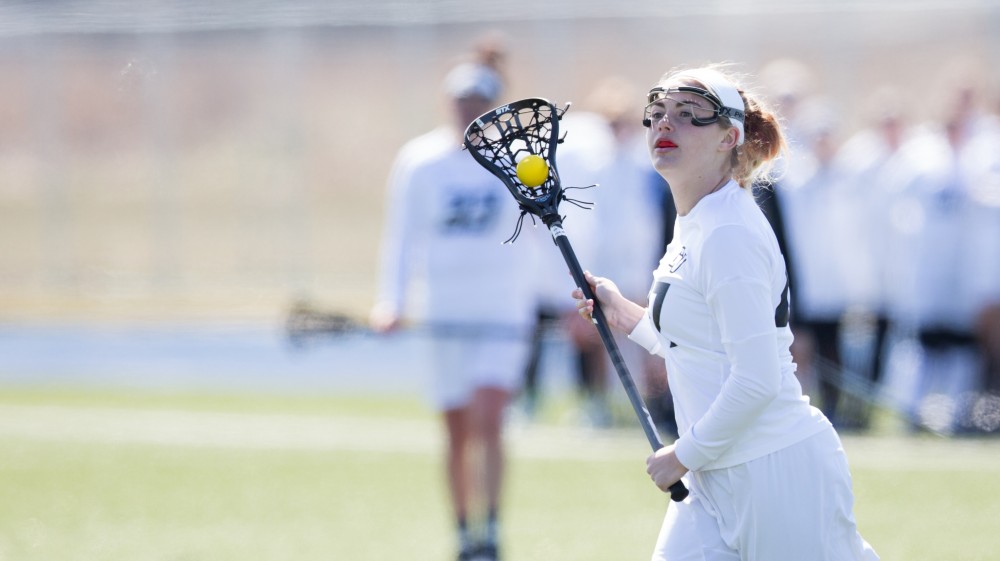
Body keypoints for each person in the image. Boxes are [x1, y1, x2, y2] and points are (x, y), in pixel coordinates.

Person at [572, 65, 878, 560]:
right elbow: (696, 344)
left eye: (688, 115)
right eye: (658, 113)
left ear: (729, 137)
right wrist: (623, 313)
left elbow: (755, 379)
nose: (665, 124)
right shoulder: (696, 219)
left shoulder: (728, 233)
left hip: (772, 468)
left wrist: (682, 455)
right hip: (716, 471)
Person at [369, 41, 540, 561]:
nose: (469, 109)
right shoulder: (420, 162)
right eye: (461, 99)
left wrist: (574, 299)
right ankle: (465, 531)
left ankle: (491, 527)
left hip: (501, 309)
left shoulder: (518, 161)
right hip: (445, 309)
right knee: (457, 426)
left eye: (479, 100)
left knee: (490, 416)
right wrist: (391, 301)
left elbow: (546, 230)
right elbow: (401, 238)